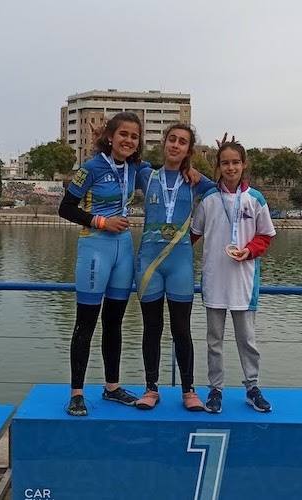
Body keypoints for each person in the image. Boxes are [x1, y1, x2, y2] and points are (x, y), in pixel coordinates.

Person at [57, 112, 144, 417]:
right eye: (123, 134)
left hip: (123, 250)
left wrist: (194, 174)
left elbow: (168, 176)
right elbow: (65, 208)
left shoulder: (135, 168)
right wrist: (101, 221)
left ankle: (111, 387)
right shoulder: (91, 167)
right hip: (95, 247)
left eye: (134, 136)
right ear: (110, 136)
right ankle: (77, 393)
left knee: (114, 323)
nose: (128, 140)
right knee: (85, 323)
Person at [190, 139, 276, 413]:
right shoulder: (208, 200)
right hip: (214, 281)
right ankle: (215, 389)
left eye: (235, 162)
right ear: (218, 166)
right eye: (225, 162)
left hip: (244, 282)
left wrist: (249, 251)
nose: (230, 167)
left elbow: (265, 236)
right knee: (214, 340)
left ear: (244, 165)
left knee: (247, 340)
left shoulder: (256, 199)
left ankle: (252, 387)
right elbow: (194, 235)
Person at [134, 124, 214, 412]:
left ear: (188, 150)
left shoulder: (194, 180)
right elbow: (119, 158)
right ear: (164, 142)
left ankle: (189, 390)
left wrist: (203, 170)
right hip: (149, 265)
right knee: (151, 328)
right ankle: (151, 388)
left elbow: (226, 190)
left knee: (182, 329)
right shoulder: (146, 174)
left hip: (180, 264)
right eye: (172, 140)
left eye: (182, 142)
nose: (176, 145)